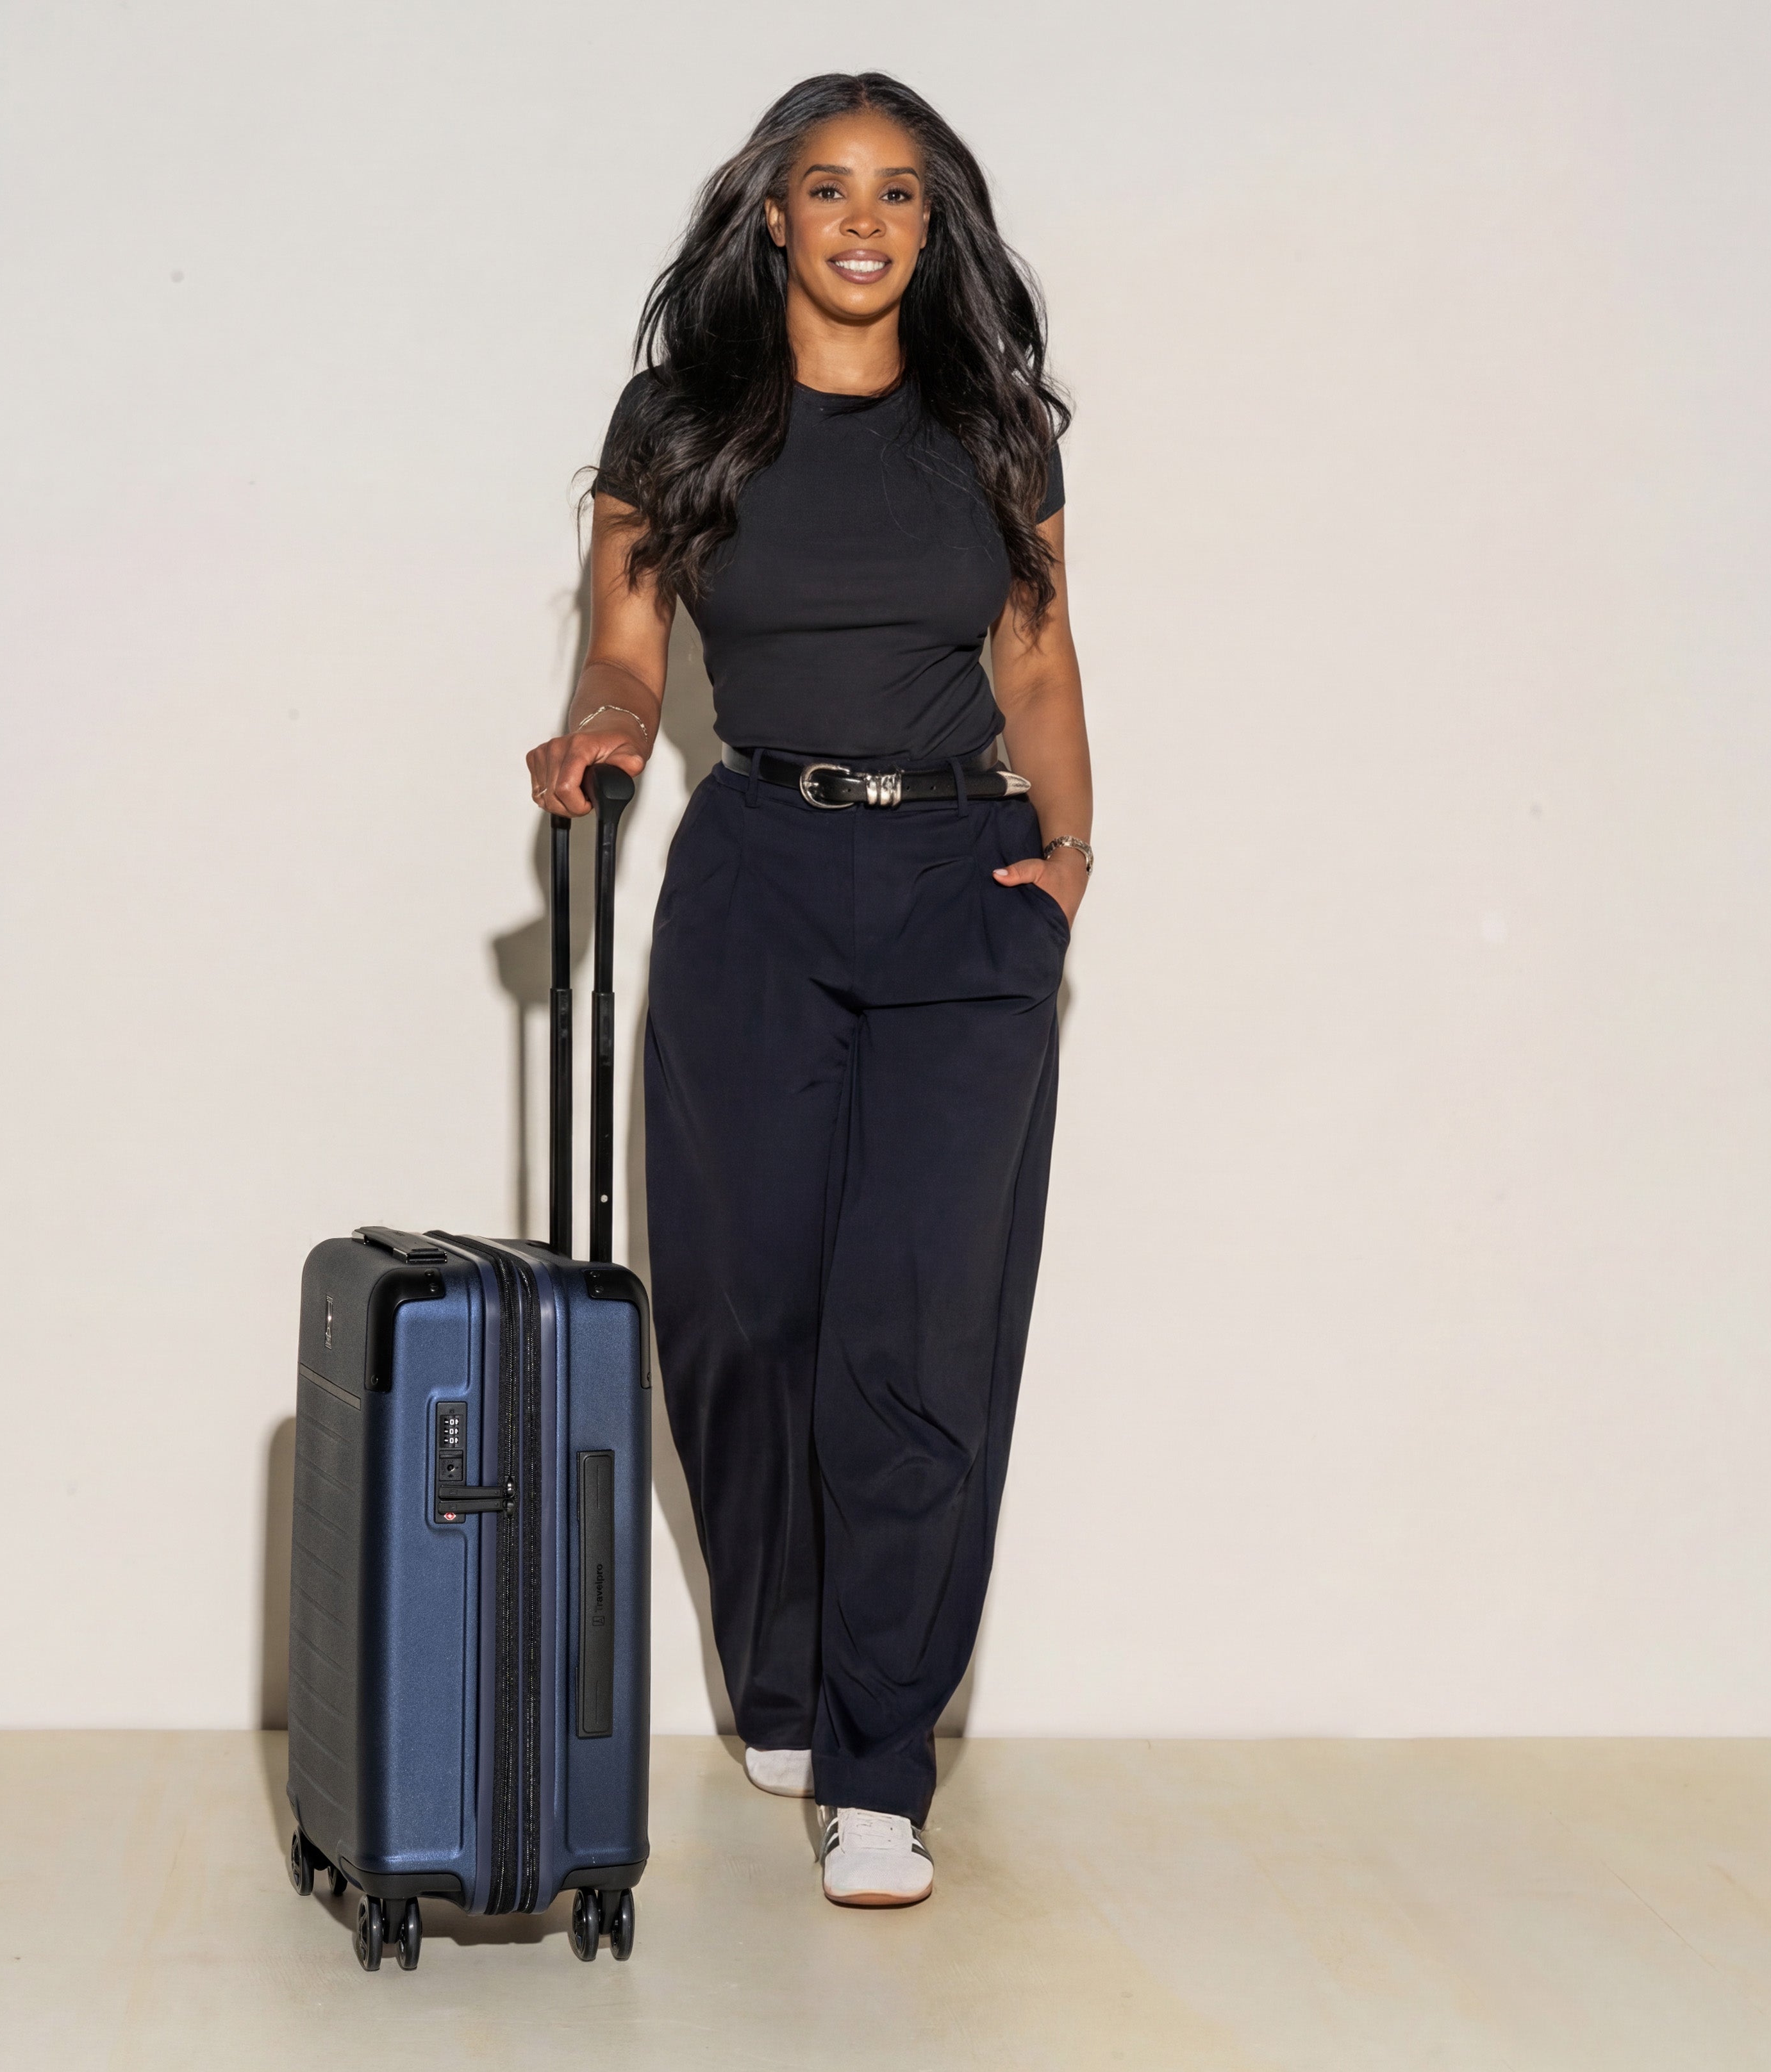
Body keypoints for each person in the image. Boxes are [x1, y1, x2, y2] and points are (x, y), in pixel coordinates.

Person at [526, 71, 1092, 1909]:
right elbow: (624, 647)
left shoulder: (989, 427)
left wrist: (1066, 858)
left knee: (912, 1335)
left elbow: (1039, 656)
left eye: (901, 194)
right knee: (740, 1305)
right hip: (756, 871)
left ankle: (876, 1763)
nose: (864, 221)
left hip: (960, 887)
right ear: (769, 213)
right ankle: (779, 1665)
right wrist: (598, 734)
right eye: (828, 188)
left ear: (934, 227)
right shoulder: (679, 419)